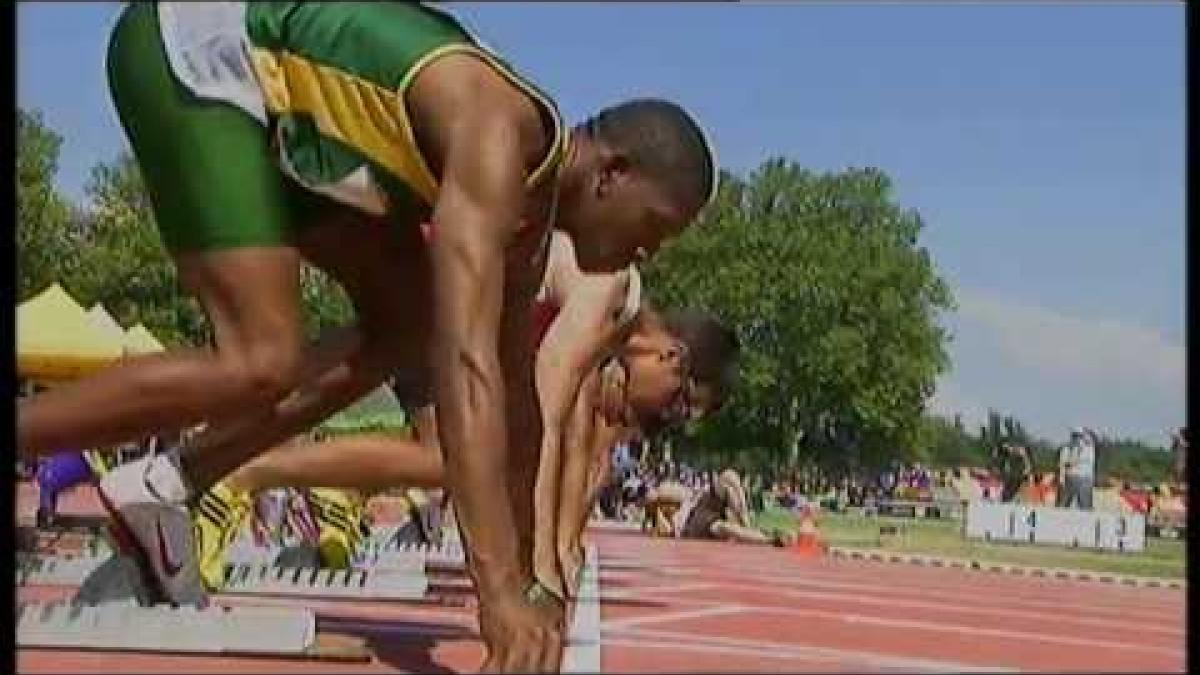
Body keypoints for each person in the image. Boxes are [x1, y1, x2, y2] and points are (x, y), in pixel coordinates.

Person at [17, 4, 716, 670]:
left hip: (277, 111)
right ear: (613, 173)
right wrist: (497, 595)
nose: (647, 252)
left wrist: (536, 584)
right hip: (195, 48)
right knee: (261, 358)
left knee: (404, 323)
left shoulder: (532, 213)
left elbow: (518, 405)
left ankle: (166, 482)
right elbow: (466, 368)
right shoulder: (500, 138)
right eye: (654, 227)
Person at [679, 468, 793, 546]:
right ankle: (752, 527)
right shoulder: (707, 521)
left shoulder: (709, 508)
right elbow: (729, 529)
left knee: (730, 476)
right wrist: (770, 540)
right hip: (703, 527)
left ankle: (750, 526)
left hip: (707, 517)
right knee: (729, 478)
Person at [1057, 427, 1097, 510]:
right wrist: (1062, 479)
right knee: (1062, 506)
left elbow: (1087, 463)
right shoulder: (1067, 448)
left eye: (1079, 436)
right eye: (1075, 436)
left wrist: (1071, 463)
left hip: (1084, 479)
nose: (1077, 438)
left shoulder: (1089, 448)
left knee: (1085, 508)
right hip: (1071, 478)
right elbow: (1062, 464)